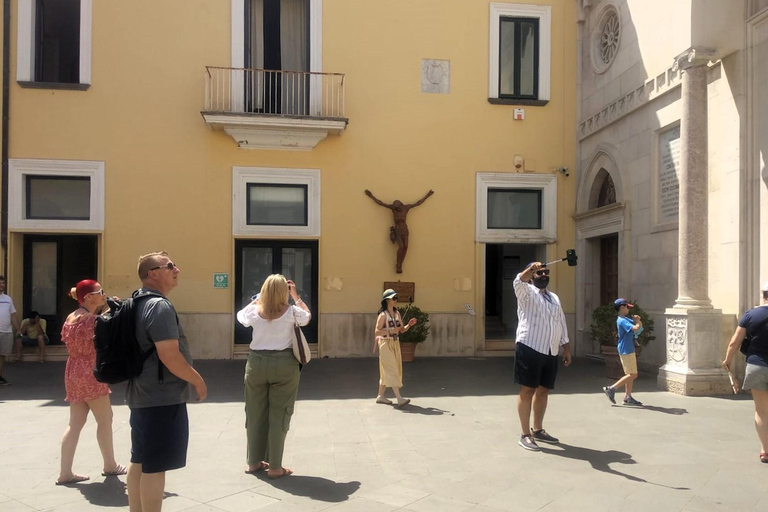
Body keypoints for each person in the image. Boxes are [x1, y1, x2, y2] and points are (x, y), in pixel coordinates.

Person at [126, 252, 207, 512]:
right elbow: (169, 354)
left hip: (142, 393)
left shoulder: (137, 302)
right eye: (170, 266)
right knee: (155, 465)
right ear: (153, 273)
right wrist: (197, 380)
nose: (177, 270)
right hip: (161, 396)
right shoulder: (159, 306)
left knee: (140, 458)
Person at [237, 274, 311, 479]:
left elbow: (240, 316)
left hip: (256, 363)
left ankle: (253, 462)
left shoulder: (254, 311)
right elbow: (307, 316)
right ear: (284, 292)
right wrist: (295, 295)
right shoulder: (292, 312)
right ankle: (275, 466)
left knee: (254, 413)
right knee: (280, 414)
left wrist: (257, 299)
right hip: (284, 364)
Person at [56, 280, 127, 485]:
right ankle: (110, 464)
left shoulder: (71, 317)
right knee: (105, 419)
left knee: (75, 423)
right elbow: (106, 331)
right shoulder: (91, 320)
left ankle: (65, 472)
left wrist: (106, 309)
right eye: (100, 292)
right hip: (91, 371)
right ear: (88, 297)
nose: (103, 294)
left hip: (73, 370)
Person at [513, 262, 572, 452]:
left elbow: (560, 321)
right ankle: (524, 434)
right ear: (532, 276)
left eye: (545, 273)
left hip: (550, 349)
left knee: (544, 390)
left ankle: (537, 429)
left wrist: (566, 347)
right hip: (530, 346)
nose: (543, 275)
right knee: (527, 390)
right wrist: (530, 268)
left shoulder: (554, 297)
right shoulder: (527, 292)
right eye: (539, 273)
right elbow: (518, 282)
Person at [723, 281, 768, 464]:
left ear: (763, 294)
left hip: (756, 366)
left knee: (761, 410)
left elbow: (735, 342)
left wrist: (727, 360)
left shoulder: (751, 315)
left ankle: (765, 450)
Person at [364, 189, 434, 273]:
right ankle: (398, 264)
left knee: (406, 247)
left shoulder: (406, 208)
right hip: (397, 229)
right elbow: (381, 203)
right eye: (394, 206)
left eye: (396, 205)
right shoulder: (393, 209)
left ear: (400, 204)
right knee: (401, 247)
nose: (396, 207)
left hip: (404, 229)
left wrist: (428, 195)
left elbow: (418, 203)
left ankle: (401, 263)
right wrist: (371, 196)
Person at [374, 289, 417, 408]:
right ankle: (399, 398)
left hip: (395, 343)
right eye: (394, 298)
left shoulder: (397, 314)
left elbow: (401, 330)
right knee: (392, 368)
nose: (396, 300)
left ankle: (380, 396)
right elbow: (377, 332)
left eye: (396, 298)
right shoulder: (382, 315)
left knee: (389, 370)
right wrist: (389, 330)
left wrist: (409, 324)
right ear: (387, 300)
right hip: (385, 343)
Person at [602, 299, 643, 406]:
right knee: (633, 374)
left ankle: (628, 396)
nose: (629, 309)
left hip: (628, 348)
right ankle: (611, 388)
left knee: (629, 373)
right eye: (627, 307)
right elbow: (635, 328)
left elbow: (639, 329)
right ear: (622, 307)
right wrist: (638, 322)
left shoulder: (626, 319)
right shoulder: (622, 320)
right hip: (626, 349)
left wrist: (638, 322)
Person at [0, 275, 21, 386]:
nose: (1, 285)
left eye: (2, 283)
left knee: (2, 355)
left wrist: (18, 330)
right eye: (0, 283)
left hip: (6, 331)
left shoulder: (8, 299)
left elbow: (13, 315)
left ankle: (0, 377)